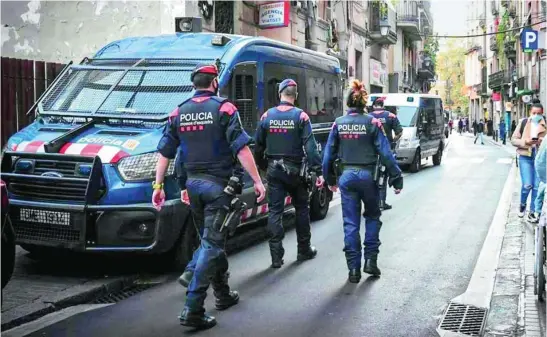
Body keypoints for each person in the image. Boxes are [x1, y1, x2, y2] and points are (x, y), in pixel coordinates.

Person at [153, 63, 266, 329]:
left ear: (194, 84)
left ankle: (223, 294)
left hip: (193, 188)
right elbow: (241, 149)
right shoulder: (225, 108)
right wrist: (258, 181)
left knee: (211, 240)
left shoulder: (178, 112)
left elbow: (166, 154)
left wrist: (158, 188)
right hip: (219, 189)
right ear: (214, 82)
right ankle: (192, 308)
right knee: (212, 244)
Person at [322, 80, 403, 283]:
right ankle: (370, 261)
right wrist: (396, 178)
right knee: (373, 216)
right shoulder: (373, 123)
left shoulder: (338, 123)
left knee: (350, 224)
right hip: (369, 177)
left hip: (347, 177)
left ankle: (353, 270)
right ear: (364, 101)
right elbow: (385, 153)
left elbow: (328, 155)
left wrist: (330, 179)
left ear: (348, 101)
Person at [254, 79, 324, 268]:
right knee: (301, 208)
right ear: (296, 95)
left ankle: (276, 257)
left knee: (275, 211)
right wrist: (317, 172)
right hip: (296, 172)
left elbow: (258, 146)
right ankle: (304, 249)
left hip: (274, 171)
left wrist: (263, 168)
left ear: (280, 94)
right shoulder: (301, 117)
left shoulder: (266, 116)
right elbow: (311, 148)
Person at [511, 102, 546, 223]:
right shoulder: (524, 123)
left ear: (543, 113)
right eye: (534, 113)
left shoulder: (545, 124)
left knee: (537, 187)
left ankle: (532, 212)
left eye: (539, 113)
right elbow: (513, 140)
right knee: (527, 185)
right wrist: (526, 141)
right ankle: (522, 204)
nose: (536, 115)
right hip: (525, 157)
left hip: (540, 159)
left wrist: (542, 142)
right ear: (530, 113)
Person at [368, 96, 403, 211]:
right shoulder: (390, 116)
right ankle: (382, 202)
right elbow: (399, 132)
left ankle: (371, 203)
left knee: (371, 178)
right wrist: (393, 141)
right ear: (383, 105)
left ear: (374, 106)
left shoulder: (368, 117)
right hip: (385, 151)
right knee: (383, 175)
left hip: (370, 153)